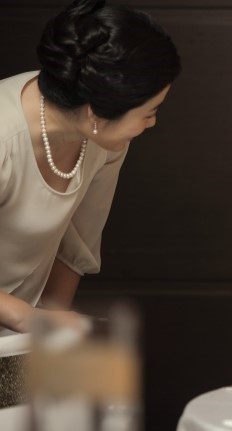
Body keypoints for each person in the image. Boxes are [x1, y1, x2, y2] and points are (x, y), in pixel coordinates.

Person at [0, 0, 181, 336]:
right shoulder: (3, 135)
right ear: (95, 112)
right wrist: (27, 319)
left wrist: (52, 335)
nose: (152, 123)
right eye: (149, 112)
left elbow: (76, 247)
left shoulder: (103, 139)